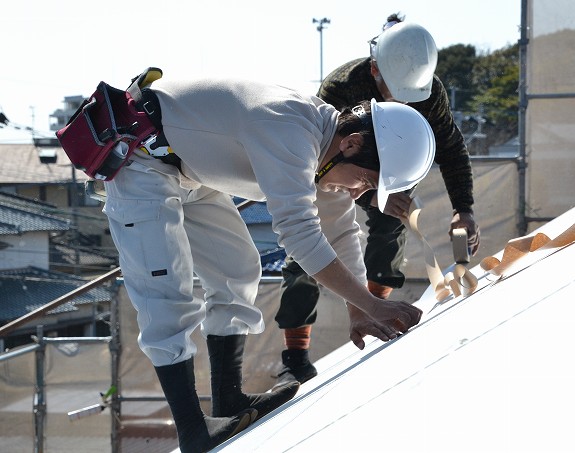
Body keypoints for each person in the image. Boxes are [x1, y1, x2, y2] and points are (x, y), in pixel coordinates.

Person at [96, 75, 431, 453]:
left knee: (236, 269)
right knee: (166, 291)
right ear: (351, 143)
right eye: (365, 181)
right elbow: (300, 236)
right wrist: (372, 304)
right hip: (141, 161)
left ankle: (228, 401)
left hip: (186, 167)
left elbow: (340, 231)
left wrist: (359, 309)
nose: (359, 193)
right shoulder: (289, 129)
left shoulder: (326, 152)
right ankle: (192, 429)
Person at [273, 14, 481, 390]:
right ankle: (295, 357)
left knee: (392, 224)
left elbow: (450, 147)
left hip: (388, 176)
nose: (402, 101)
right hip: (334, 172)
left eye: (409, 96)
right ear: (374, 70)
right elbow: (324, 158)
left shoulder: (428, 91)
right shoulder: (341, 87)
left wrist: (463, 208)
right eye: (393, 93)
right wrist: (369, 192)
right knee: (308, 245)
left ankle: (376, 314)